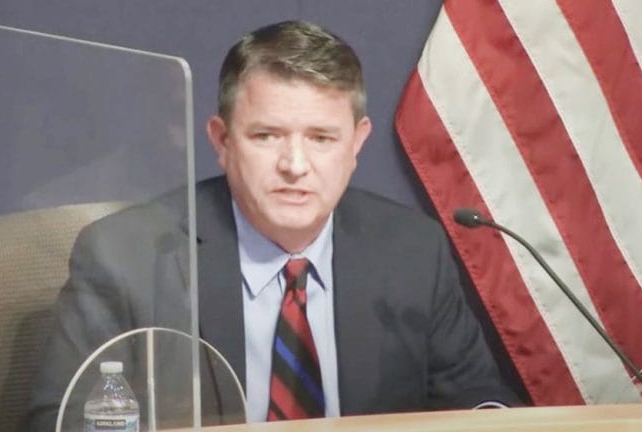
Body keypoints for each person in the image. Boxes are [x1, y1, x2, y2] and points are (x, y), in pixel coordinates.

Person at [27, 20, 520, 431]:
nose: (295, 165)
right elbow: (61, 421)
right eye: (267, 135)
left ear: (356, 144)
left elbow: (478, 401)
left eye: (322, 138)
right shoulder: (125, 257)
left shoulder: (413, 252)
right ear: (222, 141)